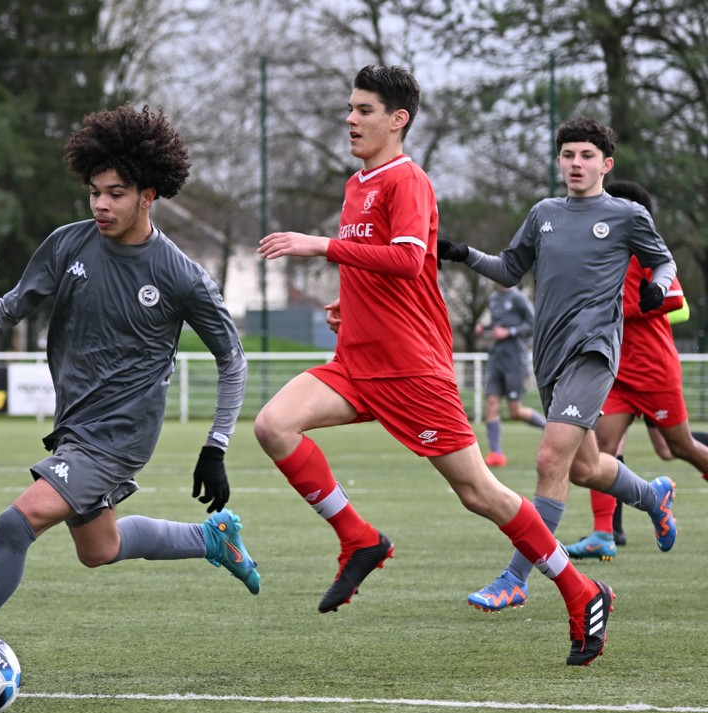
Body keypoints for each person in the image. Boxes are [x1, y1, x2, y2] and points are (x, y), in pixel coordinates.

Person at [0, 105, 258, 693]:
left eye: (116, 194)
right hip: (76, 426)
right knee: (100, 548)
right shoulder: (69, 244)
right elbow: (10, 307)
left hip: (120, 436)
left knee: (16, 523)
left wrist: (216, 445)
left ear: (148, 196)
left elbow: (232, 359)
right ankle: (211, 538)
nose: (101, 204)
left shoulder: (181, 275)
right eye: (94, 192)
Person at [254, 66, 612, 666]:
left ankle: (581, 591)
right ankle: (359, 539)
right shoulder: (356, 184)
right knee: (273, 425)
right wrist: (349, 302)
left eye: (363, 110)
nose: (350, 119)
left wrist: (320, 246)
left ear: (398, 120)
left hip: (411, 370)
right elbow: (381, 267)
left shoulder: (408, 180)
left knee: (480, 493)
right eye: (350, 108)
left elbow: (405, 259)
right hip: (357, 360)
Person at [438, 119, 679, 614]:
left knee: (550, 461)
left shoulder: (627, 215)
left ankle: (515, 578)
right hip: (549, 356)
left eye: (586, 155)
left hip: (594, 353)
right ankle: (652, 496)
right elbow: (509, 269)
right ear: (558, 161)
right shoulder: (543, 213)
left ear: (605, 164)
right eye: (568, 155)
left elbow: (664, 261)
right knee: (586, 468)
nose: (576, 163)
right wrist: (463, 254)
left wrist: (657, 286)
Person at [565, 180, 708, 560]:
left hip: (654, 371)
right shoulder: (597, 255)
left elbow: (675, 299)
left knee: (679, 447)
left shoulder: (646, 252)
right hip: (614, 371)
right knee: (601, 449)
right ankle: (603, 534)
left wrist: (626, 309)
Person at [476, 285, 547, 467]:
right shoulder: (493, 298)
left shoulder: (518, 297)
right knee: (491, 404)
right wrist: (485, 328)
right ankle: (496, 453)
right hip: (496, 359)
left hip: (514, 360)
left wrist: (510, 332)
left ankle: (549, 429)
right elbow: (497, 325)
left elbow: (533, 323)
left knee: (515, 410)